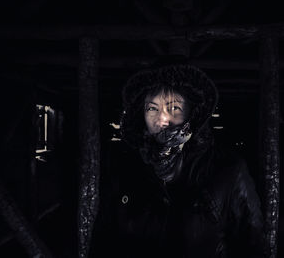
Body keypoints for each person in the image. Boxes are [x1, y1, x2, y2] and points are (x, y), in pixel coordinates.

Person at [89, 63, 265, 257]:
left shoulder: (228, 170)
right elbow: (103, 243)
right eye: (152, 108)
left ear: (193, 113)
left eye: (174, 108)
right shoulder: (124, 169)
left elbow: (252, 247)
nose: (161, 119)